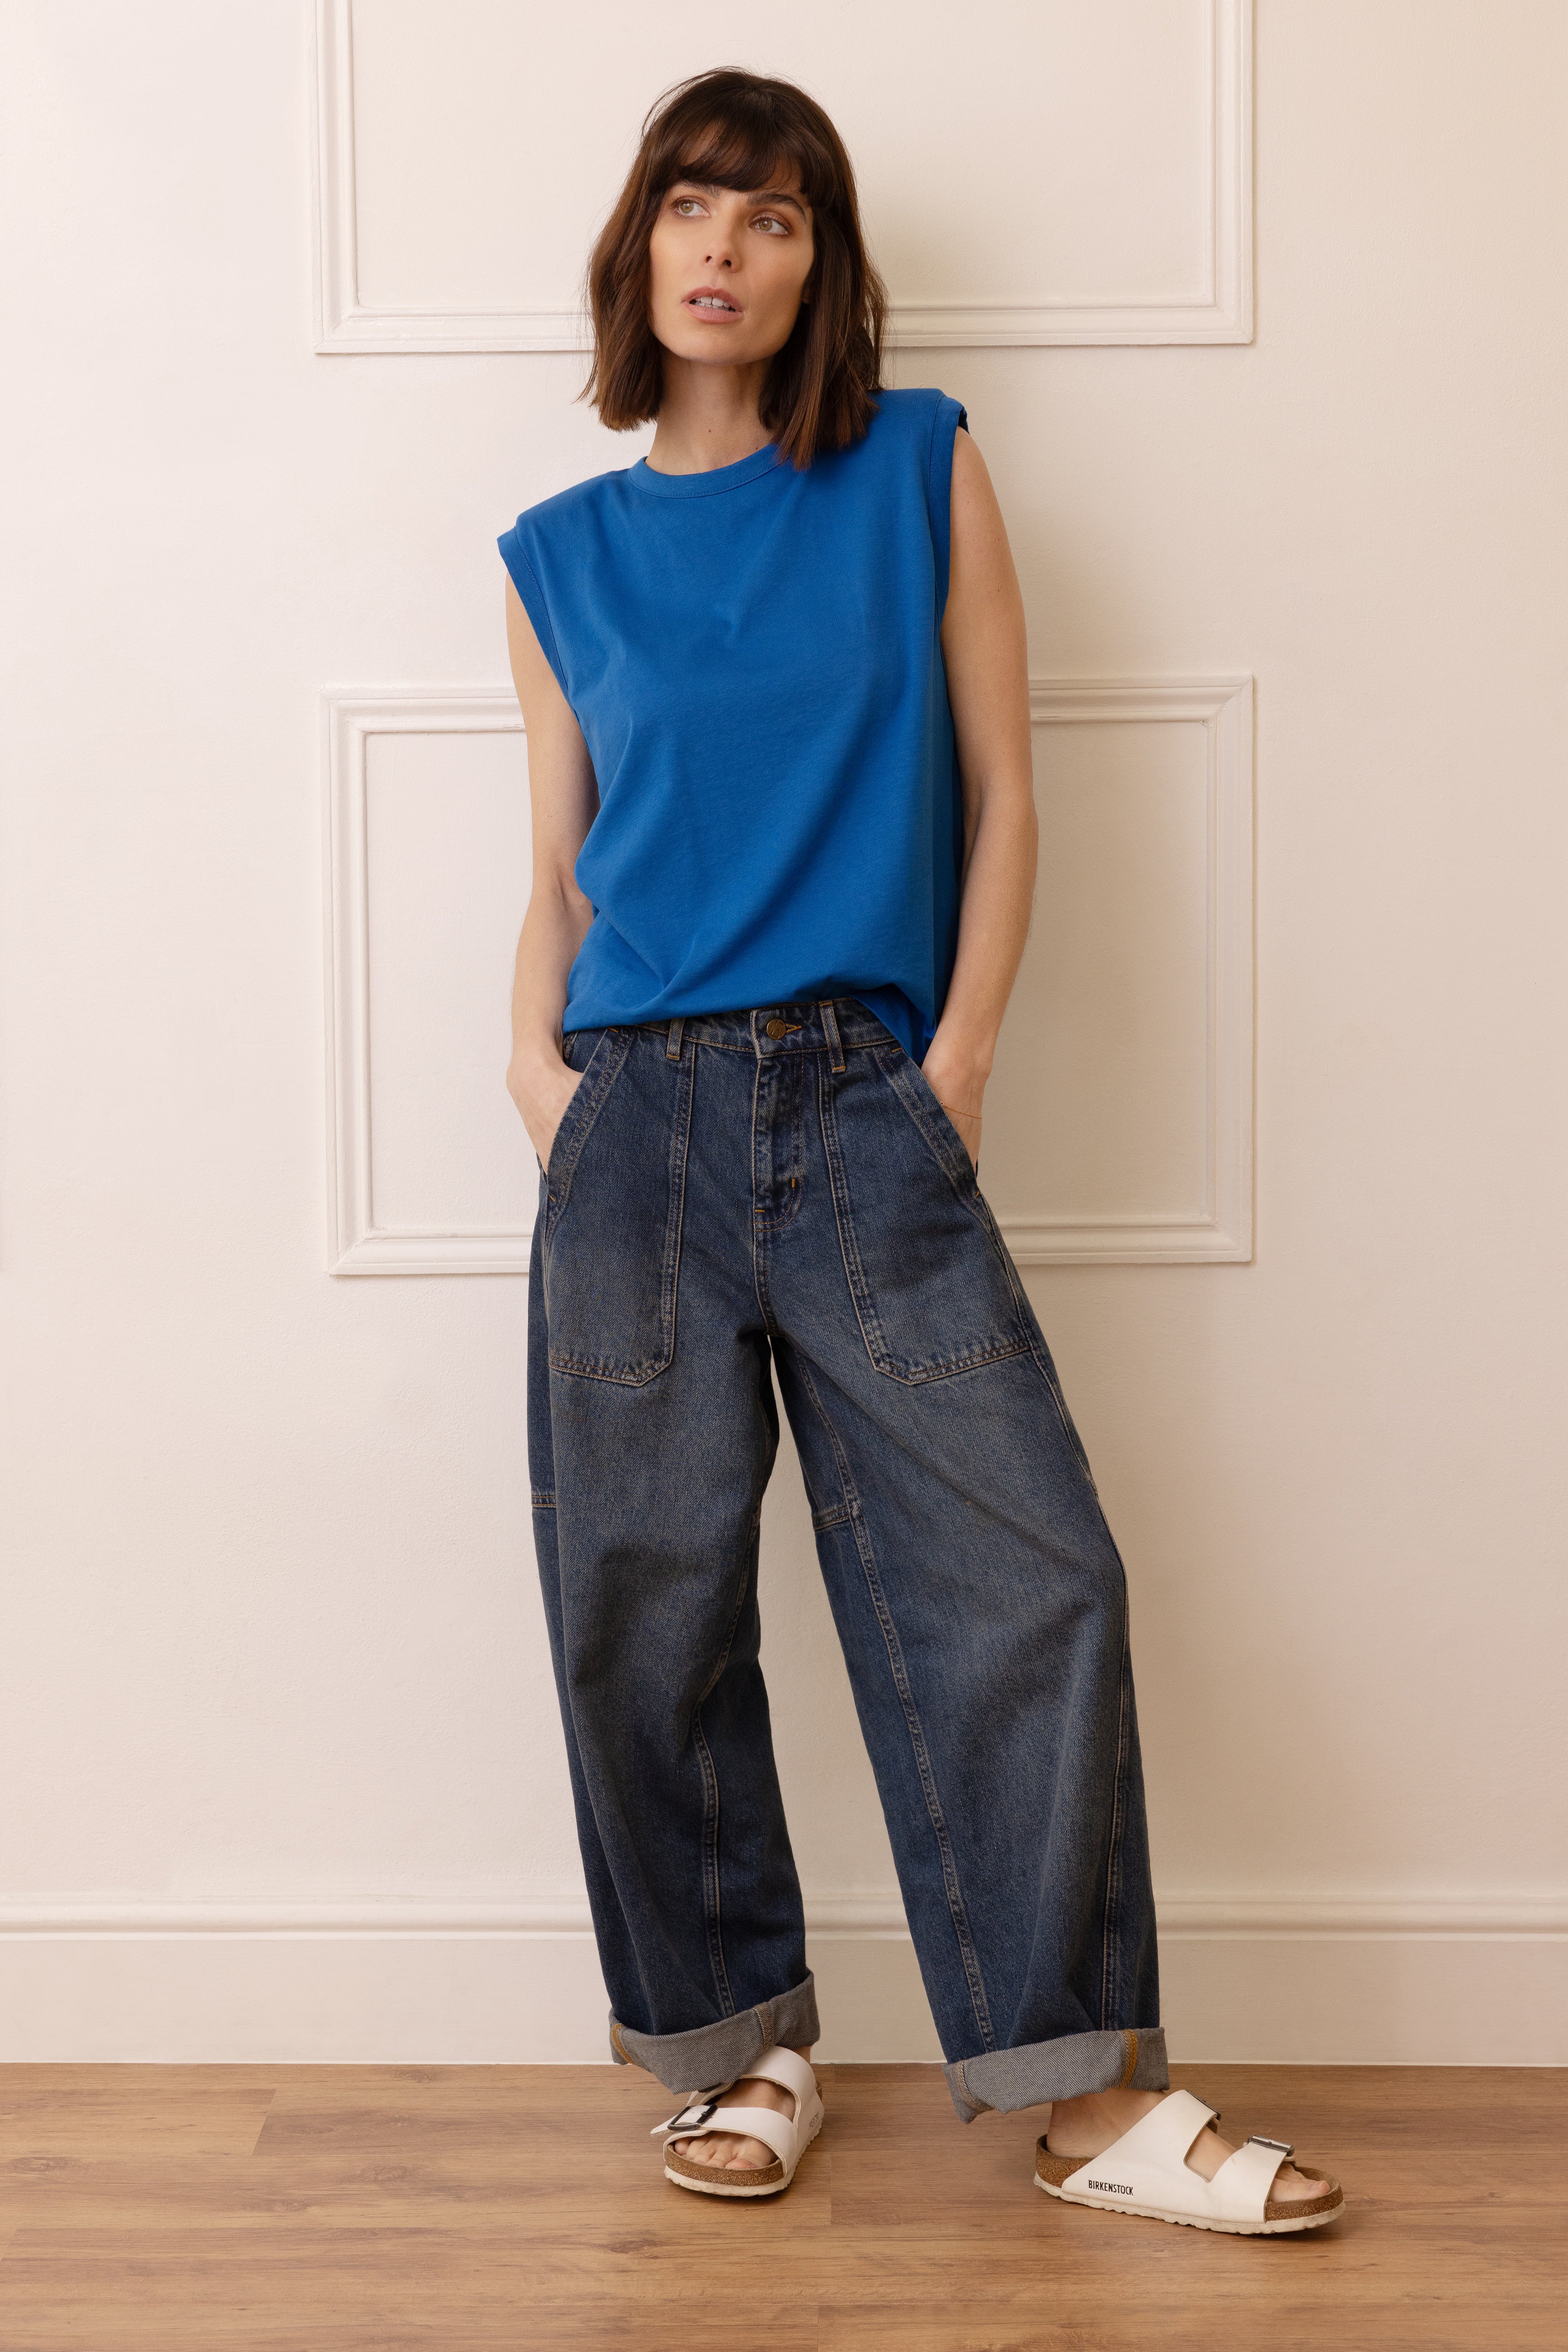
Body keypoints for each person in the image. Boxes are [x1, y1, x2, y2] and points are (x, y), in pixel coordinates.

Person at [498, 67, 1343, 2237]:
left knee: (1030, 1572)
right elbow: (562, 868)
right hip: (631, 1127)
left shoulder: (918, 469)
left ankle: (1084, 2102)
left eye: (776, 217)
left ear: (822, 267)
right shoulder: (556, 559)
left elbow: (1007, 791)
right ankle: (742, 2049)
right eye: (694, 206)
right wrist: (534, 1072)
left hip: (862, 1104)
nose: (726, 248)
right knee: (643, 1601)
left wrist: (953, 1064)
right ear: (639, 244)